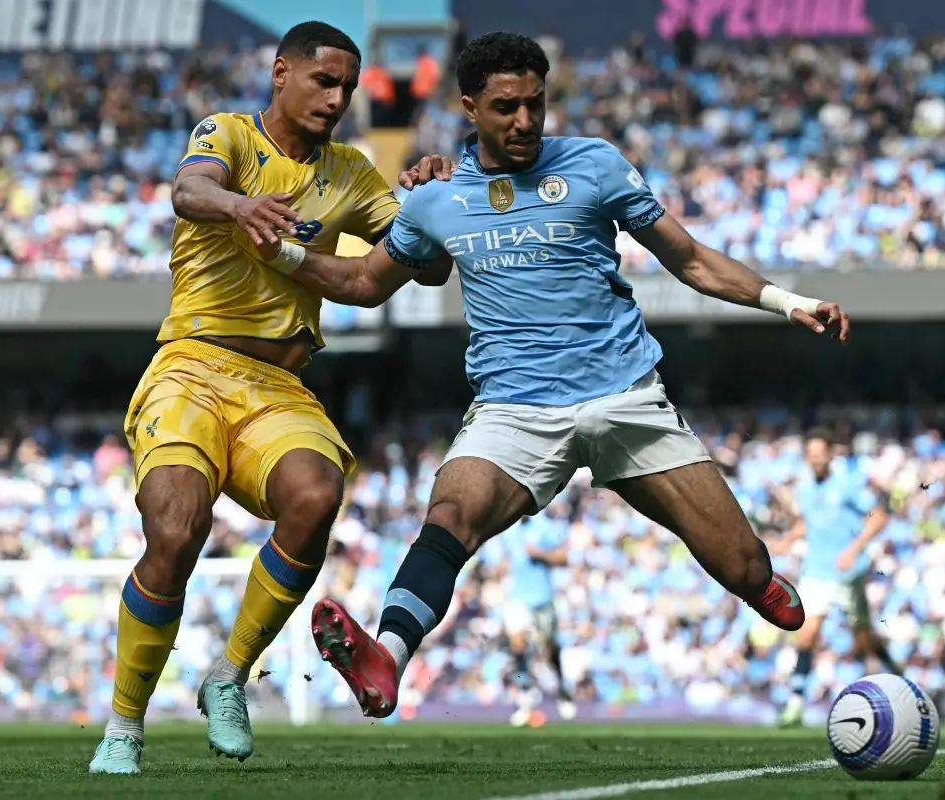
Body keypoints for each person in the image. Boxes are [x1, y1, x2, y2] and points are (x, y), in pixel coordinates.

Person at [251, 31, 849, 718]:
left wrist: (786, 301)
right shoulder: (435, 197)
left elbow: (688, 259)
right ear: (469, 107)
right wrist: (284, 255)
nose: (525, 121)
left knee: (743, 566)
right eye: (505, 107)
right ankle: (387, 657)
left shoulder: (594, 165)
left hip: (624, 398)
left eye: (535, 104)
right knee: (449, 516)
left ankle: (755, 577)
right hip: (514, 411)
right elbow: (363, 280)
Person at [88, 21, 453, 774]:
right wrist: (237, 206)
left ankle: (228, 675)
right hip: (192, 367)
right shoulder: (227, 134)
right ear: (281, 73)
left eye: (347, 87)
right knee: (176, 531)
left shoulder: (351, 173)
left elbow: (427, 266)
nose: (337, 98)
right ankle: (124, 725)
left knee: (316, 496)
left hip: (278, 385)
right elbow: (188, 189)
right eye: (324, 81)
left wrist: (432, 202)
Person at [775, 429, 899, 728]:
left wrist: (853, 549)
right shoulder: (805, 489)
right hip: (816, 571)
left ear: (830, 454)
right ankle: (795, 704)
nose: (815, 459)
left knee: (863, 640)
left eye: (820, 454)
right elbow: (809, 522)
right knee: (807, 634)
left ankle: (898, 680)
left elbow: (879, 517)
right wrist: (787, 540)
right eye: (811, 455)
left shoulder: (847, 485)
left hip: (847, 573)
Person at [487, 504, 575, 726]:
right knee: (517, 643)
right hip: (518, 598)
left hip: (542, 598)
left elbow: (564, 559)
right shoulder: (509, 530)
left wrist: (541, 554)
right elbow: (508, 560)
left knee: (550, 647)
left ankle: (562, 688)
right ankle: (526, 692)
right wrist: (500, 570)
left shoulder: (545, 527)